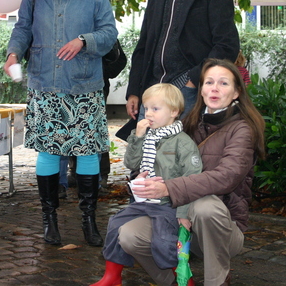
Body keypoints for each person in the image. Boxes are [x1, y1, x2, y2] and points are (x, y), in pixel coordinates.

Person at [4, 0, 118, 247]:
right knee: (47, 151)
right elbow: (22, 28)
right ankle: (49, 220)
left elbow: (109, 34)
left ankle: (88, 221)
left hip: (84, 87)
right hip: (45, 85)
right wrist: (14, 52)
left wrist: (84, 40)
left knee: (88, 152)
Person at [113, 59, 266, 286]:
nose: (214, 88)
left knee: (205, 206)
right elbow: (153, 162)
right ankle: (175, 281)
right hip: (177, 219)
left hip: (222, 228)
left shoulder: (242, 129)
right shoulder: (186, 124)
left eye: (223, 83)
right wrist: (143, 179)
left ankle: (218, 281)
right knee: (128, 235)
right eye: (209, 82)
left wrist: (168, 188)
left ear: (236, 93)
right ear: (201, 89)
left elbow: (227, 176)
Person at [90, 83, 202, 286]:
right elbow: (131, 163)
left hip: (169, 204)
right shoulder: (148, 137)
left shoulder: (183, 142)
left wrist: (184, 213)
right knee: (115, 223)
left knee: (164, 240)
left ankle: (185, 279)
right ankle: (112, 276)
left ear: (174, 112)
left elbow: (192, 180)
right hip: (144, 202)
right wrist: (137, 138)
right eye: (147, 108)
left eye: (155, 109)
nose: (148, 113)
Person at [126, 0, 240, 123]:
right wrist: (134, 91)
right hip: (153, 91)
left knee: (182, 151)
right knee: (148, 151)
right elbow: (143, 46)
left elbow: (226, 45)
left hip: (187, 91)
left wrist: (193, 81)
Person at [65, 39, 128, 196]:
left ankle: (101, 175)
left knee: (95, 130)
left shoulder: (101, 29)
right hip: (69, 85)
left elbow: (120, 59)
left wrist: (102, 71)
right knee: (72, 128)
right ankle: (74, 170)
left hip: (97, 87)